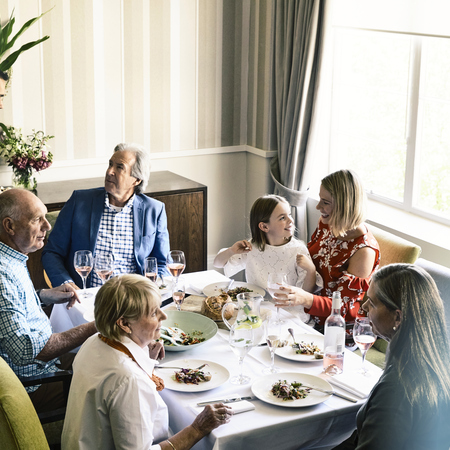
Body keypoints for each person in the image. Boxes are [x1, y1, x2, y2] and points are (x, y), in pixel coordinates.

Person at [62, 274, 232, 449]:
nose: (164, 316)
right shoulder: (129, 380)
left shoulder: (94, 342)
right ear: (124, 324)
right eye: (153, 313)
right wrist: (197, 429)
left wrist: (142, 350)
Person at [0, 189, 97, 413]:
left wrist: (44, 295)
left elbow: (11, 304)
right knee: (114, 381)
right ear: (9, 226)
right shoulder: (2, 273)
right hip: (32, 386)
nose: (47, 226)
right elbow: (25, 351)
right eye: (37, 219)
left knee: (108, 358)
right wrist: (94, 327)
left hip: (43, 368)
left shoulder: (11, 258)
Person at [333, 263, 450, 449]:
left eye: (371, 303)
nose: (364, 307)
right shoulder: (436, 360)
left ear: (398, 317)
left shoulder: (398, 388)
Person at [42, 142, 170, 289]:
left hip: (133, 301)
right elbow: (52, 253)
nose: (110, 171)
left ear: (137, 179)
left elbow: (161, 263)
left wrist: (150, 290)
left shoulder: (154, 210)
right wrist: (66, 283)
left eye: (119, 167)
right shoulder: (79, 201)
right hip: (85, 297)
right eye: (110, 164)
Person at [276, 170, 380, 337]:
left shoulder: (363, 251)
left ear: (344, 206)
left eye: (325, 202)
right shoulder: (328, 223)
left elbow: (348, 310)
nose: (318, 207)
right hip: (305, 315)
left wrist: (305, 299)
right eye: (320, 199)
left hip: (335, 332)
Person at [214, 194, 321, 323]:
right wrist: (231, 251)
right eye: (282, 218)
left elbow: (305, 293)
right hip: (256, 308)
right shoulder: (252, 247)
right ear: (264, 227)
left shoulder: (298, 250)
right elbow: (218, 263)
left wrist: (311, 270)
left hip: (288, 312)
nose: (291, 220)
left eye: (290, 215)